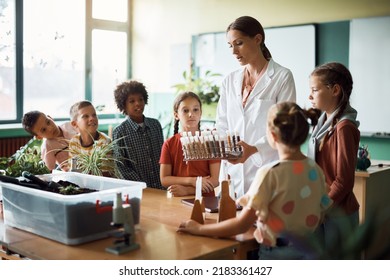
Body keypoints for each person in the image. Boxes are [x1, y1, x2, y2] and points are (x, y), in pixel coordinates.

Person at [178, 101, 331, 260]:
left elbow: (240, 225)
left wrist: (198, 228)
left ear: (272, 136)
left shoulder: (269, 173)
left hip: (276, 255)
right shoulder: (316, 171)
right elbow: (321, 214)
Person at [216, 16, 296, 198]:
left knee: (261, 222)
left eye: (239, 43)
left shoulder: (282, 77)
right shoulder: (230, 80)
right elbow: (222, 123)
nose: (234, 51)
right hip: (232, 170)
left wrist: (253, 148)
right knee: (231, 220)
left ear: (258, 39)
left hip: (267, 166)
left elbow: (285, 127)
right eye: (230, 45)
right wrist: (228, 152)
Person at [307, 62, 360, 256]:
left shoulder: (344, 127)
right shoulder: (323, 124)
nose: (310, 96)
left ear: (335, 90)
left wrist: (321, 208)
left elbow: (344, 181)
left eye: (314, 90)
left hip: (337, 213)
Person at [160, 91, 220, 197]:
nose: (191, 114)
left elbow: (215, 180)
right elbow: (164, 179)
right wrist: (192, 181)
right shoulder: (169, 144)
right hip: (176, 200)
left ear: (200, 113)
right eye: (185, 110)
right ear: (176, 115)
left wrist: (188, 190)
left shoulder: (210, 141)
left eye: (195, 110)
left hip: (206, 201)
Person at [112, 80, 164, 189]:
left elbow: (163, 156)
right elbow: (121, 166)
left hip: (161, 187)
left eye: (140, 99)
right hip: (138, 190)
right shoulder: (120, 132)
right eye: (132, 101)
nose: (138, 103)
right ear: (123, 105)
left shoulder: (155, 125)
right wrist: (140, 186)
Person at [68, 100, 113, 176]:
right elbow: (73, 171)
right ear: (75, 124)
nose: (92, 118)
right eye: (85, 116)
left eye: (94, 115)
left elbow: (105, 174)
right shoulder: (74, 142)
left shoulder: (105, 141)